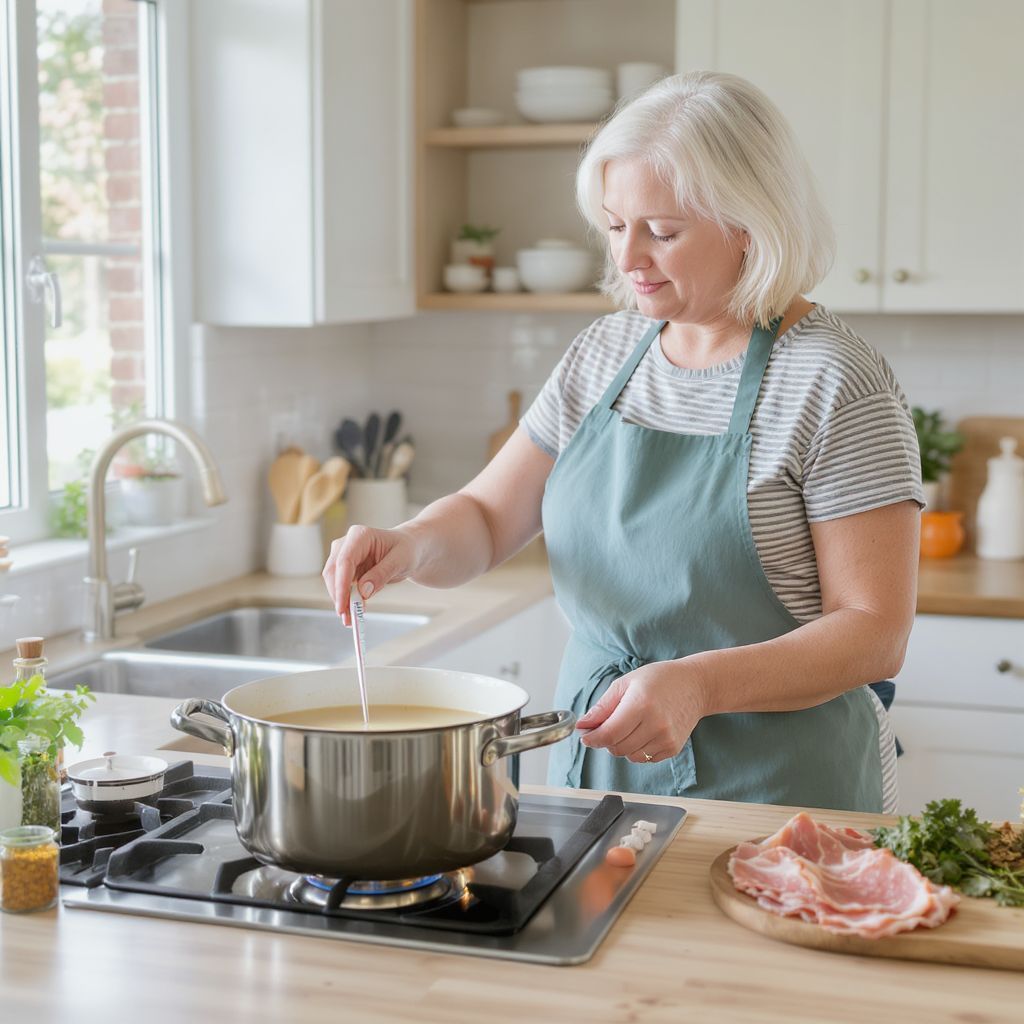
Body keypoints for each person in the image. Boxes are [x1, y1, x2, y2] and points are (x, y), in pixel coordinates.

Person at [323, 71, 923, 814]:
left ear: (749, 224)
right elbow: (485, 519)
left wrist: (698, 683)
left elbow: (873, 633)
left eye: (662, 232)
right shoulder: (605, 352)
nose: (627, 257)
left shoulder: (834, 381)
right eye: (614, 225)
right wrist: (408, 544)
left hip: (779, 790)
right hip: (599, 766)